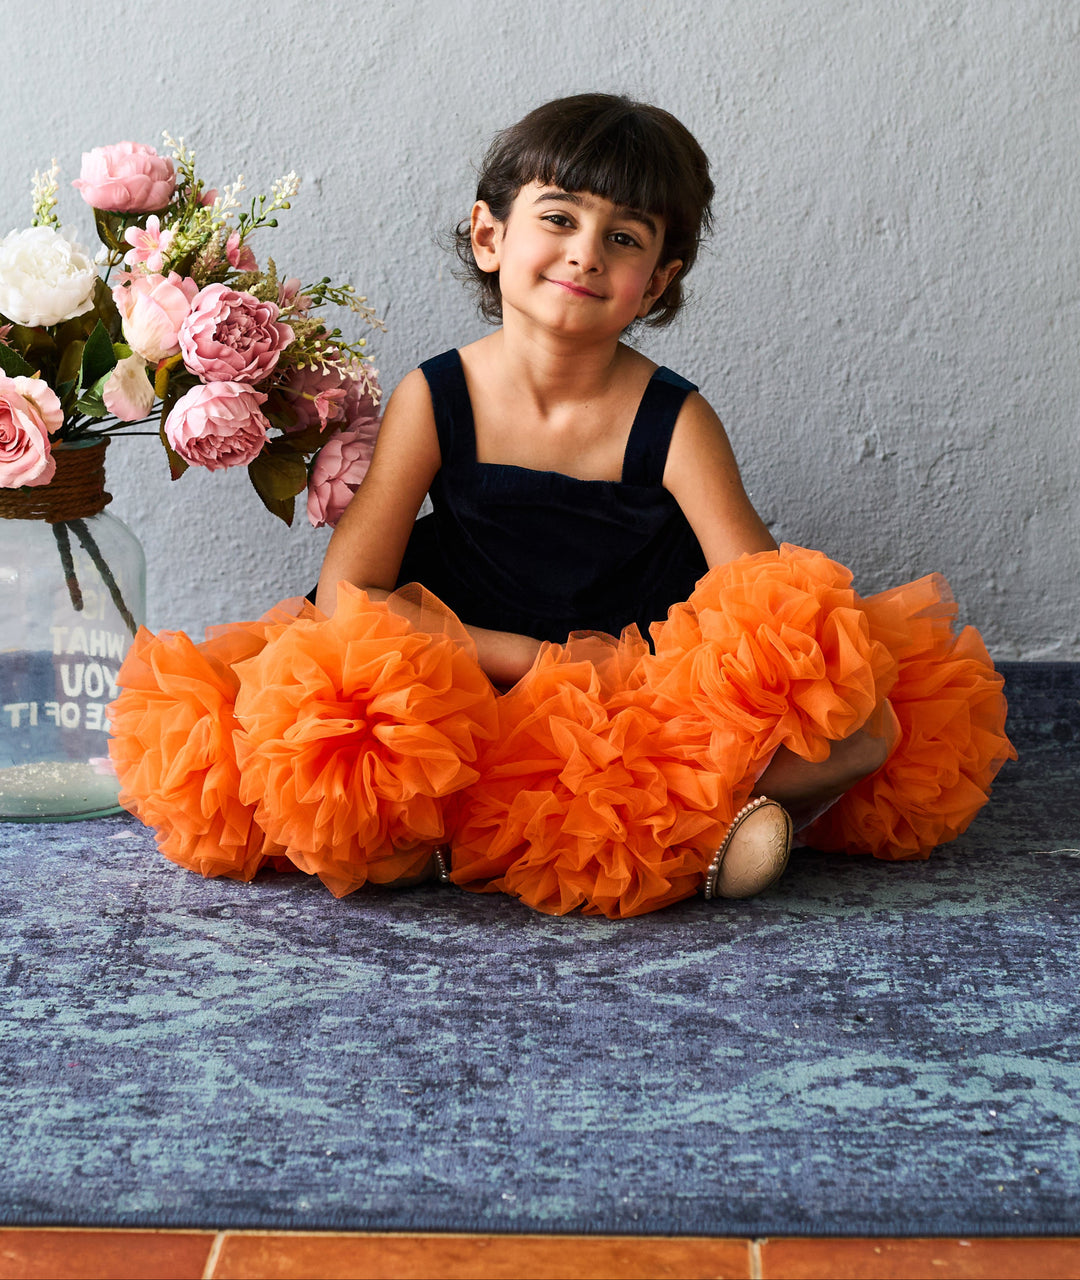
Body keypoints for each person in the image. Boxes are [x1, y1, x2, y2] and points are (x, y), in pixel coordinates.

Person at [110, 94, 1015, 917]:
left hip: (635, 673)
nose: (586, 251)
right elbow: (351, 593)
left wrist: (648, 682)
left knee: (866, 728)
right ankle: (686, 834)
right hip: (466, 667)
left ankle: (652, 818)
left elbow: (768, 600)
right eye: (560, 219)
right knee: (316, 731)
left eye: (625, 238)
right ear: (489, 236)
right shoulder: (438, 396)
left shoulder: (677, 418)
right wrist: (535, 662)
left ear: (657, 281)